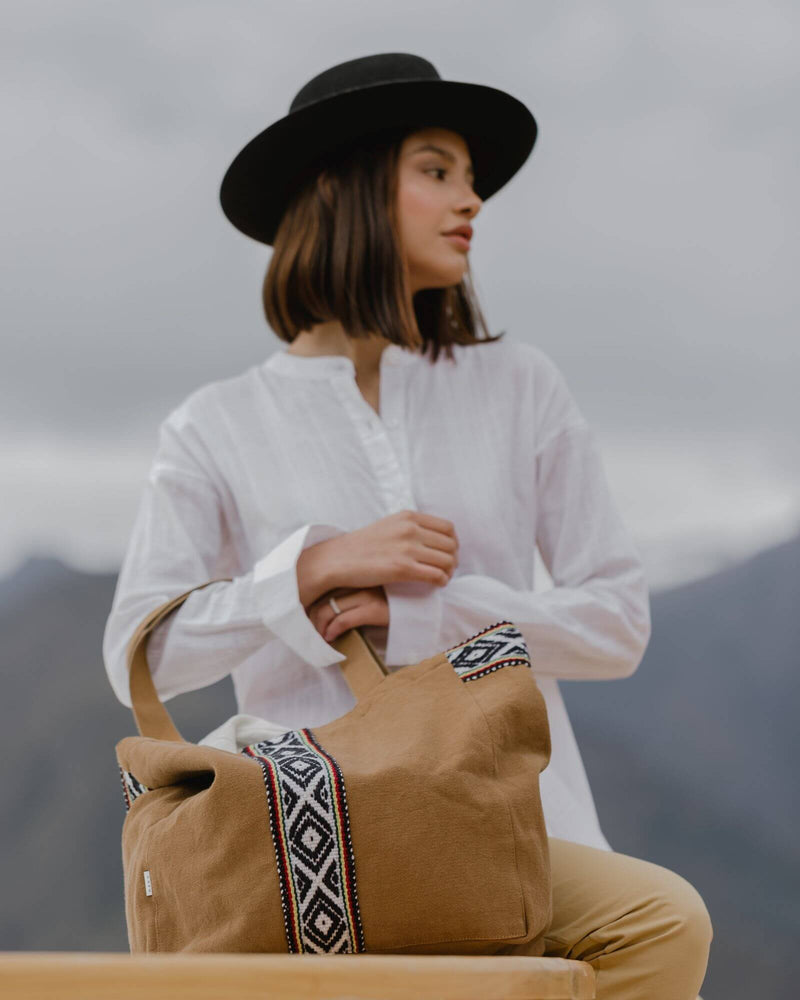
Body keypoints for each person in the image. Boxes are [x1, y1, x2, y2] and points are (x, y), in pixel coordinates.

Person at [103, 52, 712, 998]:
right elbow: (141, 650)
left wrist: (424, 612)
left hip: (512, 823)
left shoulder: (522, 387)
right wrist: (305, 573)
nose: (470, 201)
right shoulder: (216, 424)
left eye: (471, 179)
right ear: (338, 188)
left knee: (661, 921)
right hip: (304, 835)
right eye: (436, 171)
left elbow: (616, 623)